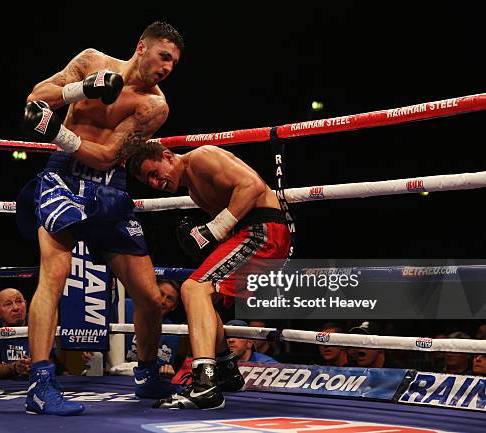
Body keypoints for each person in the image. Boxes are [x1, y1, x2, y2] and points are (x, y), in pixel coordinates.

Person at [17, 21, 184, 415]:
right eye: (164, 57)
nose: (167, 69)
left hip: (110, 186)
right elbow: (36, 97)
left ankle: (146, 376)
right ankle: (40, 384)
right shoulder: (92, 60)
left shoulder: (154, 106)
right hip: (62, 178)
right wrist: (83, 89)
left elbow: (109, 155)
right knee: (52, 278)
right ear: (142, 47)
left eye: (175, 64)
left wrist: (55, 131)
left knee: (148, 296)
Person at [128, 141, 291, 409]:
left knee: (193, 288)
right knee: (201, 298)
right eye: (150, 181)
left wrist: (214, 228)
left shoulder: (203, 158)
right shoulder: (194, 191)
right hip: (249, 234)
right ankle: (225, 370)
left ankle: (205, 384)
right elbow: (225, 228)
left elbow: (252, 186)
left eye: (155, 173)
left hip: (263, 230)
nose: (156, 183)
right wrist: (208, 237)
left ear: (167, 156)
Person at [83, 279, 182, 376]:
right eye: (160, 293)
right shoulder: (123, 307)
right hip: (104, 372)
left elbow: (160, 368)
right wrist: (90, 345)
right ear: (152, 292)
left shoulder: (172, 332)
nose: (163, 301)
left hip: (139, 379)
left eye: (170, 298)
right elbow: (97, 327)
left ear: (174, 307)